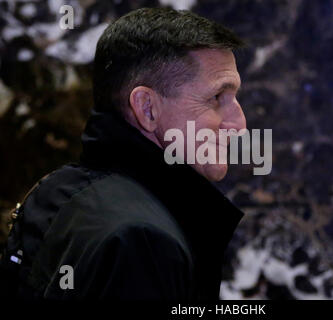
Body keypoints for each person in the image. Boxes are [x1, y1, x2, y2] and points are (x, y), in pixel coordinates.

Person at [0, 7, 247, 300]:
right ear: (147, 108)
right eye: (217, 97)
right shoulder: (144, 243)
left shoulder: (56, 189)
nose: (239, 125)